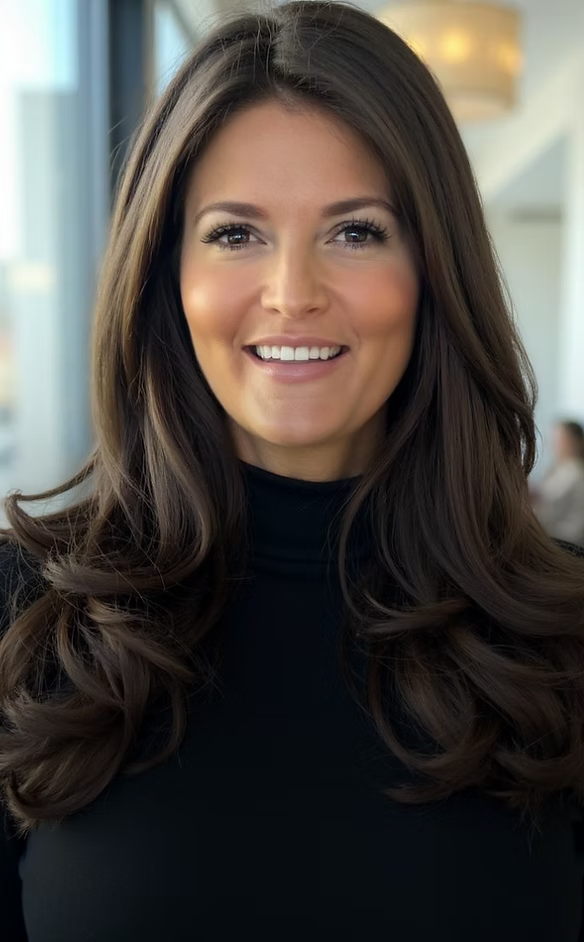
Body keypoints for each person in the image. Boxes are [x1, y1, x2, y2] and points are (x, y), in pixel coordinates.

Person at [1, 2, 583, 940]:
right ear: (165, 276)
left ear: (434, 271)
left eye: (356, 231)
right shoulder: (24, 620)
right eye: (236, 234)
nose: (294, 293)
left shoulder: (560, 632)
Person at [532, 420, 584, 546]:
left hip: (567, 544)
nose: (554, 444)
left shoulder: (574, 472)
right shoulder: (560, 468)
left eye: (560, 439)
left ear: (575, 442)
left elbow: (546, 507)